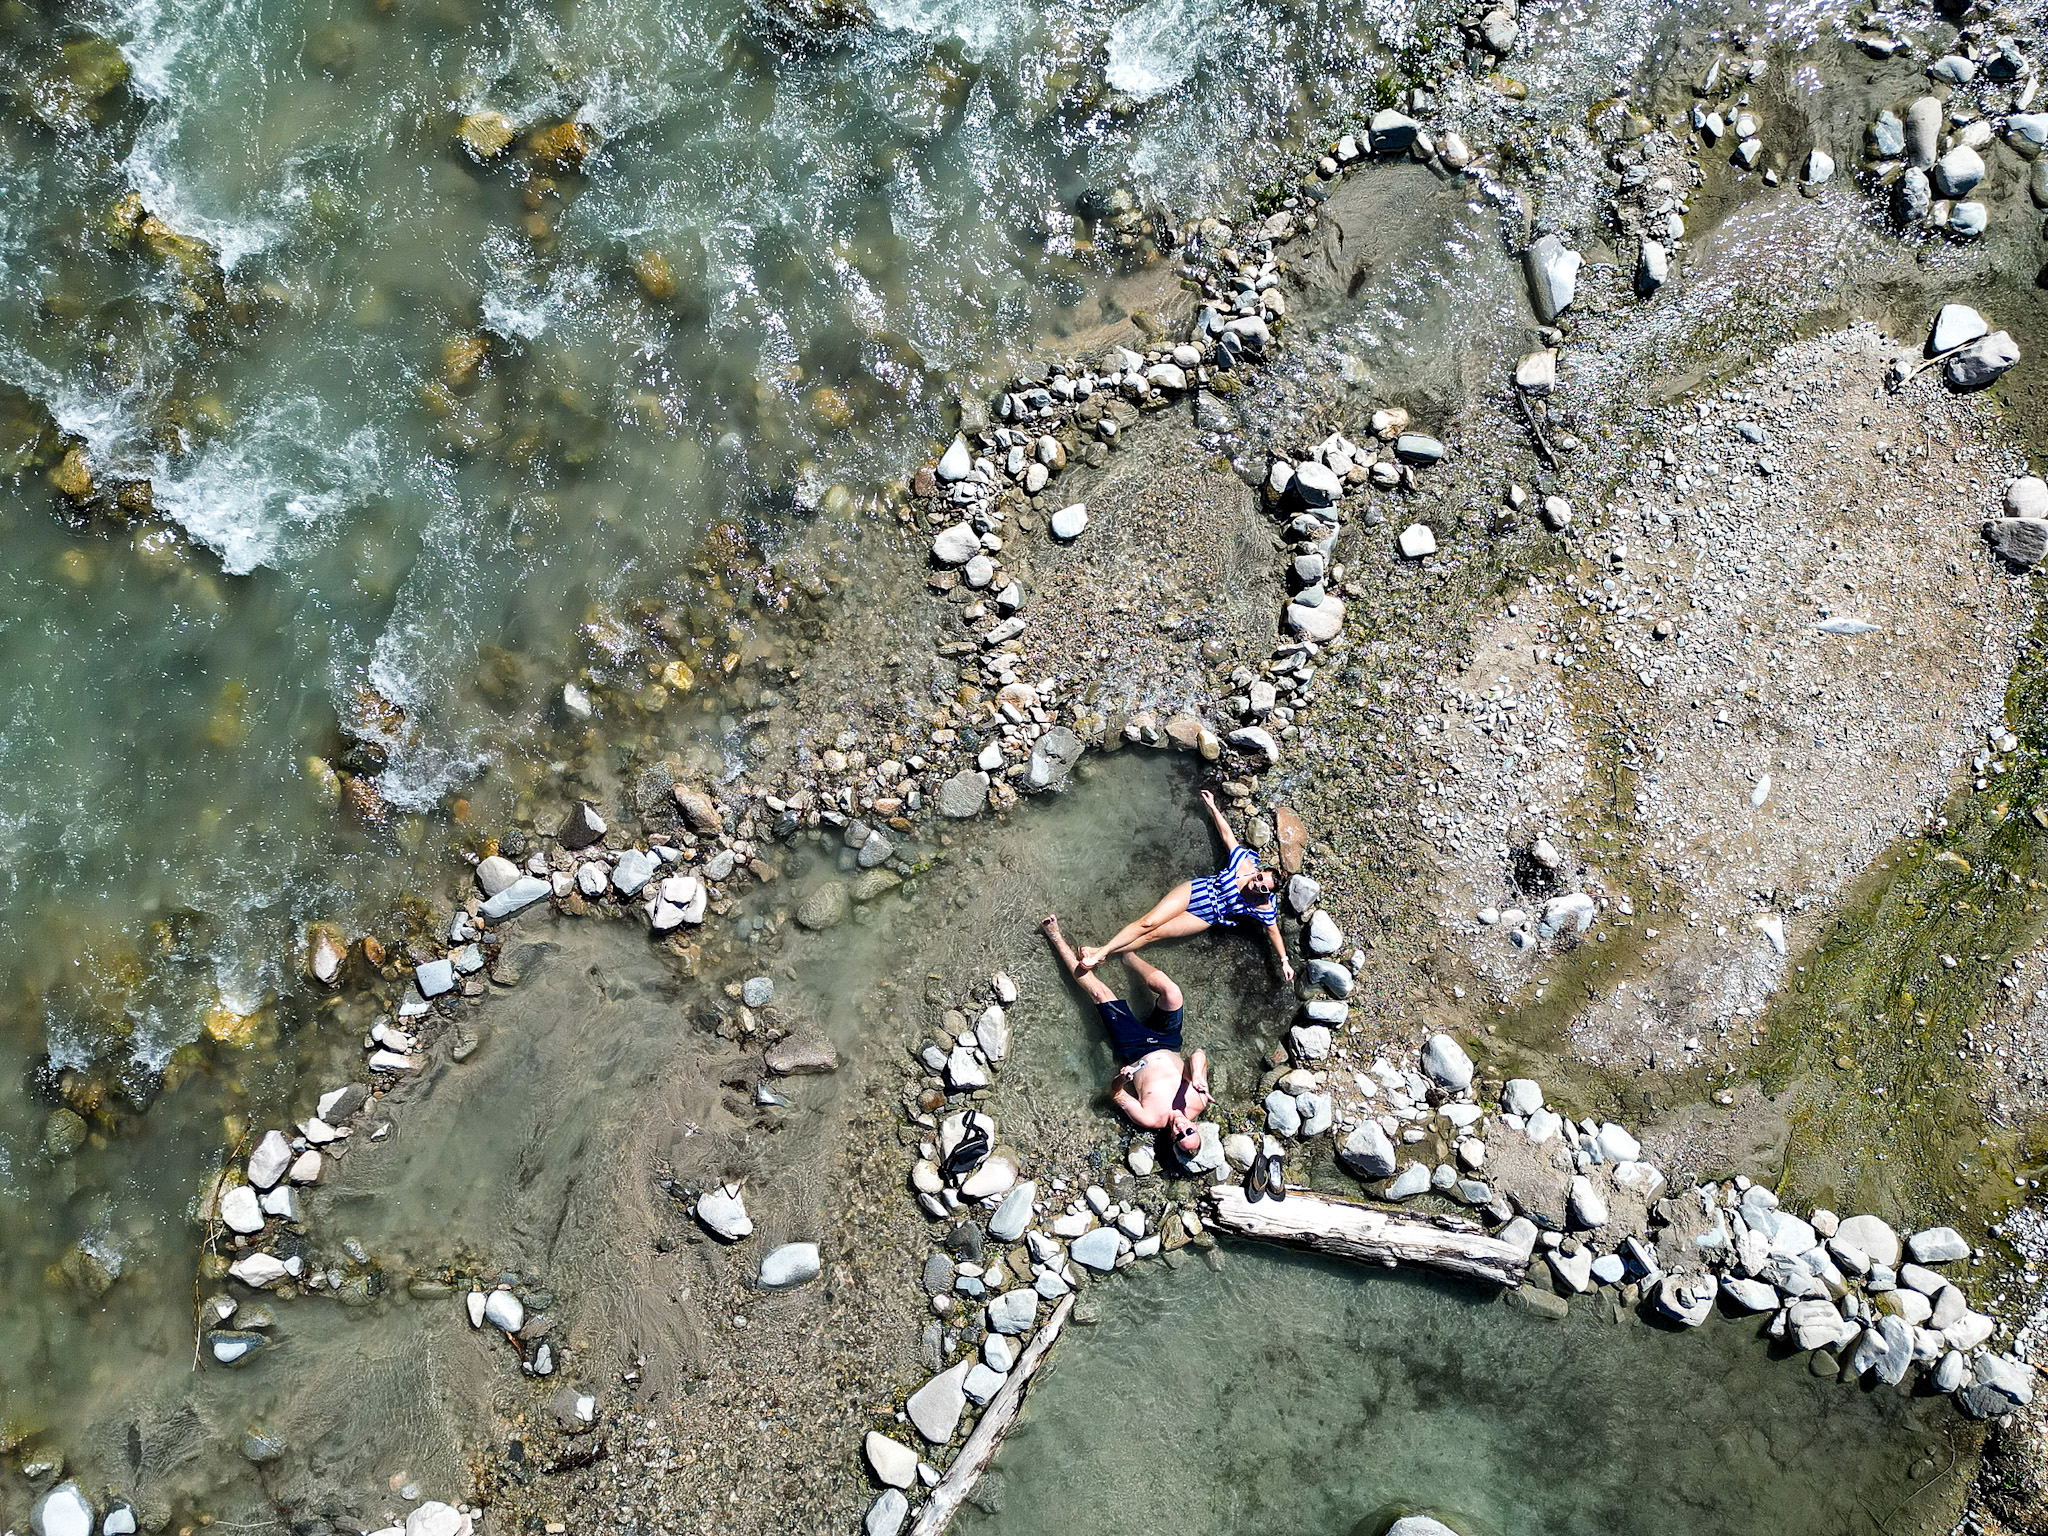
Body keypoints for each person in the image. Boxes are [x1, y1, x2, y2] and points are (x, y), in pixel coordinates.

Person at [1077, 789, 1293, 984]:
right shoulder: (1243, 864)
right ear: (1259, 872)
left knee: (1152, 935)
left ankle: (1100, 952)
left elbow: (1273, 932)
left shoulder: (1262, 906)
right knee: (1148, 923)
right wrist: (1213, 807)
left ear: (1268, 894)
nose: (1256, 885)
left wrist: (1284, 961)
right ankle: (1100, 954)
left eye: (1263, 888)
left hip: (1205, 917)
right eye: (1259, 879)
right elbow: (1228, 836)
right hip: (1195, 892)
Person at [1042, 914, 1209, 1155]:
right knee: (1172, 993)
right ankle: (1129, 957)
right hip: (1169, 1042)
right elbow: (1199, 1052)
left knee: (1100, 994)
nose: (1182, 1129)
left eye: (1179, 1136)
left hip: (1135, 1048)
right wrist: (1196, 1075)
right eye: (1189, 1132)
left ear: (1172, 1138)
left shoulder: (1150, 1119)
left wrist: (1122, 1079)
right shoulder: (1198, 1100)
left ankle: (1055, 937)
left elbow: (1115, 1093)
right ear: (1196, 1127)